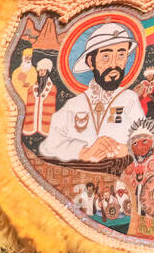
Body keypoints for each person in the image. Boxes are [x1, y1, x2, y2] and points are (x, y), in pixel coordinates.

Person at [38, 23, 142, 163]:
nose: (114, 64)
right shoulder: (74, 105)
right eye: (106, 56)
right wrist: (83, 152)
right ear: (90, 62)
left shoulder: (129, 99)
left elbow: (146, 139)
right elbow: (48, 146)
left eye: (121, 55)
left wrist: (127, 149)